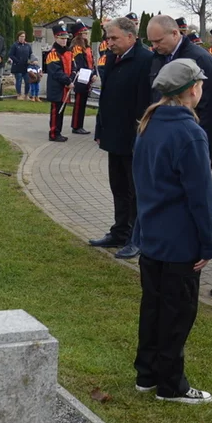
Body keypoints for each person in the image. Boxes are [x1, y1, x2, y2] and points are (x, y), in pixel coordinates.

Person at [131, 59, 212, 404]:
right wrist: (208, 244)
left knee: (153, 307)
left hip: (152, 234)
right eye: (199, 84)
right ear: (191, 90)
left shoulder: (149, 123)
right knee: (177, 313)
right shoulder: (190, 132)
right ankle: (171, 385)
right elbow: (201, 197)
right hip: (180, 240)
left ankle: (147, 373)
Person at [89, 17, 153, 259]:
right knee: (118, 188)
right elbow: (105, 98)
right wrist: (100, 129)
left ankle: (136, 238)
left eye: (114, 37)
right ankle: (119, 231)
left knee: (135, 191)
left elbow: (145, 103)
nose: (109, 42)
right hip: (113, 136)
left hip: (134, 138)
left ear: (130, 36)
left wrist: (142, 138)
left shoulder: (145, 60)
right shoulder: (113, 58)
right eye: (108, 37)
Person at [145, 15, 212, 161]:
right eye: (152, 42)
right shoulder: (157, 57)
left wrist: (205, 150)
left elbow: (211, 109)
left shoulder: (200, 59)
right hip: (163, 142)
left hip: (190, 143)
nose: (154, 46)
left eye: (158, 41)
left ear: (175, 33)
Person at [45, 24, 74, 142]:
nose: (64, 40)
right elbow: (56, 71)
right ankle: (53, 133)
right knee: (55, 111)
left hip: (66, 86)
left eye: (66, 38)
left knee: (61, 111)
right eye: (62, 38)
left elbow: (74, 67)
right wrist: (67, 81)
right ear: (56, 38)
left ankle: (58, 132)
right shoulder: (52, 53)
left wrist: (71, 78)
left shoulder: (68, 52)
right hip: (57, 87)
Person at [69, 21, 96, 134]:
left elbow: (92, 62)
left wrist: (94, 73)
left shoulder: (87, 46)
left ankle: (80, 125)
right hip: (81, 78)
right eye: (84, 31)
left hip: (88, 76)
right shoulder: (77, 47)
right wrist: (90, 74)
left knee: (83, 103)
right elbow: (80, 64)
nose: (86, 33)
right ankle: (76, 126)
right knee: (79, 103)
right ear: (79, 34)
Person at [9, 31, 33, 100]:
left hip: (26, 66)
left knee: (27, 81)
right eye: (21, 36)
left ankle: (26, 95)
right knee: (18, 80)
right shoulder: (15, 45)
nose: (22, 38)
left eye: (23, 36)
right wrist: (17, 61)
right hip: (17, 66)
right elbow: (11, 55)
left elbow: (31, 54)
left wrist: (30, 60)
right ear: (18, 37)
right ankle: (19, 94)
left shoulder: (28, 45)